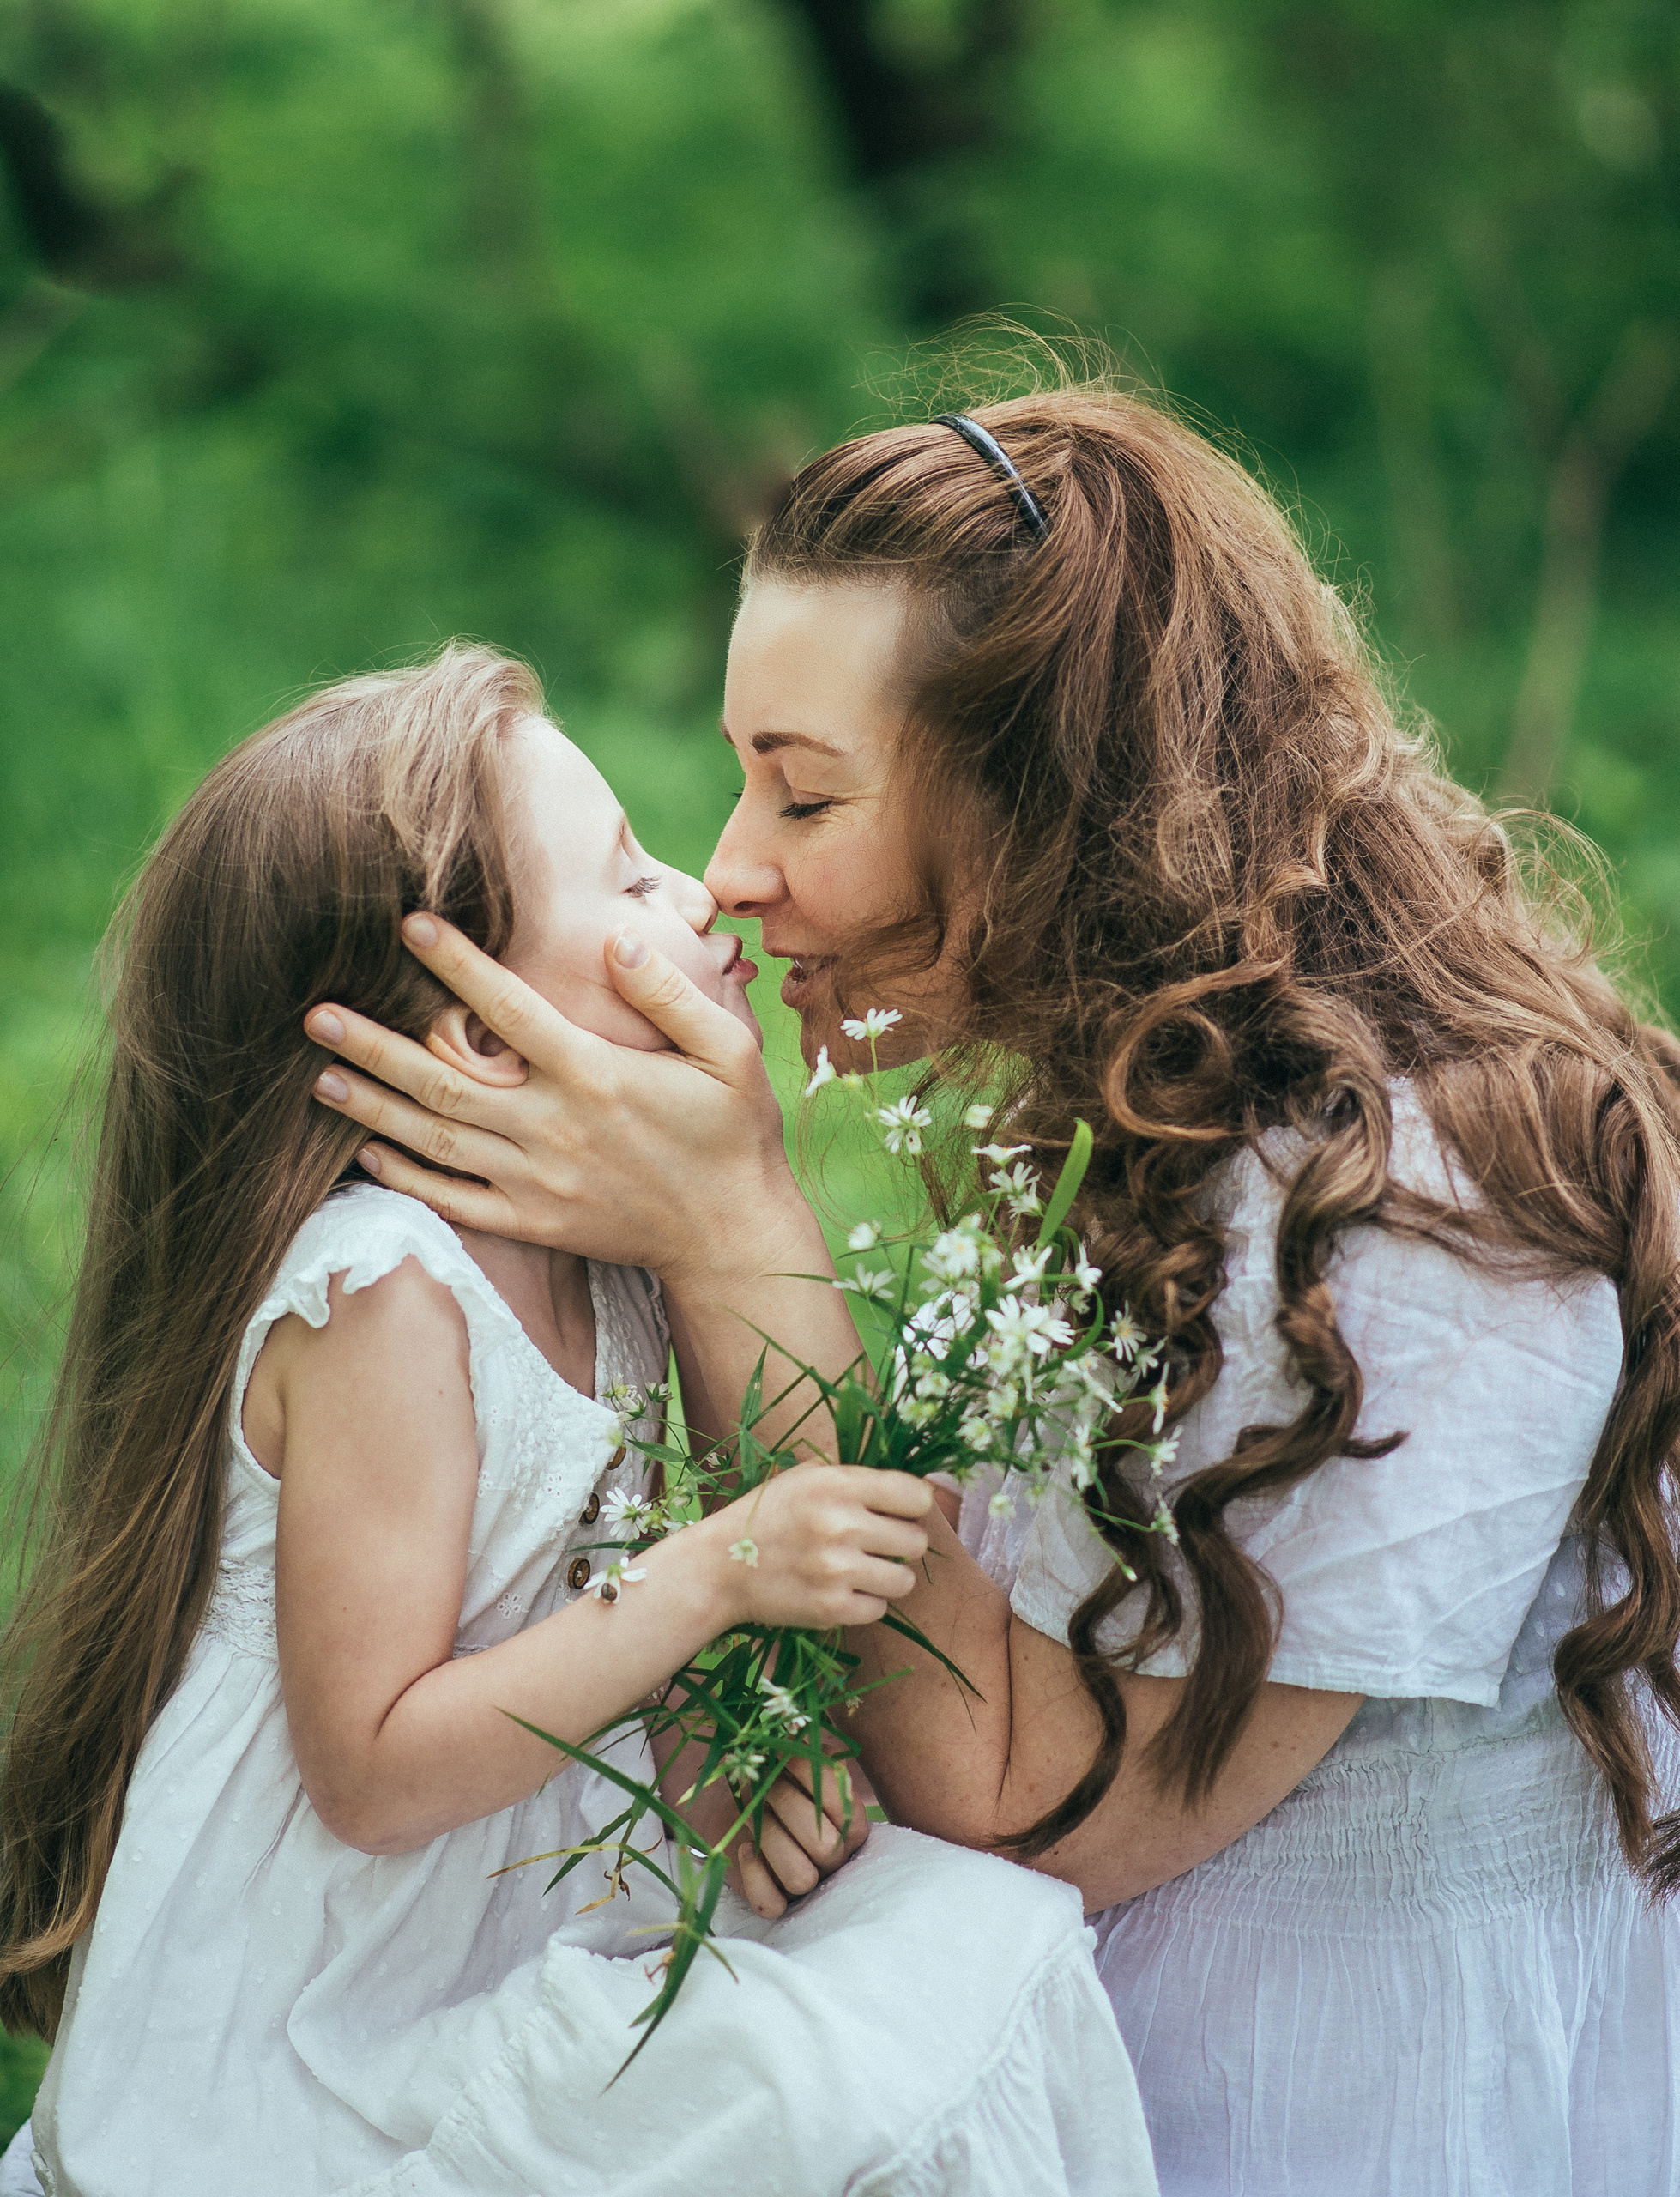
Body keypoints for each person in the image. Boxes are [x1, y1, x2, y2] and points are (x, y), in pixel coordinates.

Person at [299, 384, 1680, 2196]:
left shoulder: (1413, 1217)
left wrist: (733, 1231)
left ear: (1043, 800)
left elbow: (1033, 1789)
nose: (729, 867)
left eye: (802, 786)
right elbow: (966, 1625)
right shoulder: (1169, 1104)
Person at [0, 645, 1153, 2197]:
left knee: (954, 1943)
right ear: (478, 1038)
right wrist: (719, 1575)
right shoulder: (390, 1305)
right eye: (626, 884)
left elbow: (591, 1590)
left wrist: (724, 1760)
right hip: (322, 2035)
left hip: (509, 1922)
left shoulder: (616, 1254)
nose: (700, 893)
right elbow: (381, 1767)